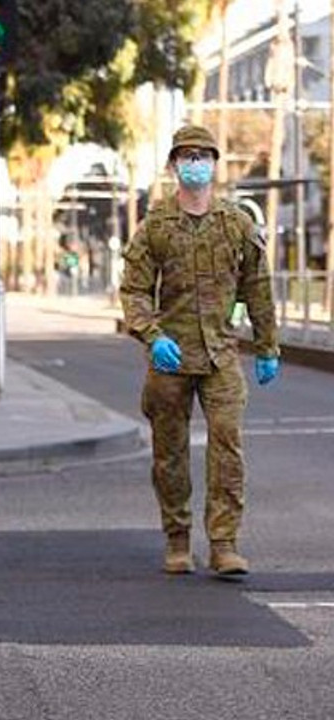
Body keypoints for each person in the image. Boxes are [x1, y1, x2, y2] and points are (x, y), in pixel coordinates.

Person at [120, 125, 279, 578]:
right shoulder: (156, 226)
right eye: (186, 156)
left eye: (203, 156)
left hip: (221, 356)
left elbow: (258, 287)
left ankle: (224, 544)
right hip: (170, 358)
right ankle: (177, 539)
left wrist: (268, 345)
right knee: (169, 453)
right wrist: (152, 336)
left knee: (227, 447)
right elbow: (133, 290)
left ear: (214, 163)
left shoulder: (236, 223)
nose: (195, 164)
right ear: (173, 166)